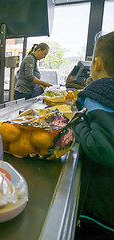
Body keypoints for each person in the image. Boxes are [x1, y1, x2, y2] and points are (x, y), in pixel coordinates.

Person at [74, 31, 114, 239]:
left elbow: (103, 148)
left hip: (101, 212)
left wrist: (77, 122)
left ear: (96, 64)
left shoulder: (98, 98)